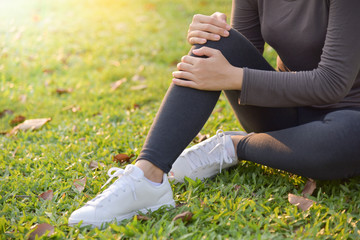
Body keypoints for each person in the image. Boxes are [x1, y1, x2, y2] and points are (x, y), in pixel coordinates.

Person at [69, 0, 360, 228]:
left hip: (350, 117)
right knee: (216, 41)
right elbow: (240, 50)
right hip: (285, 109)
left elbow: (332, 82)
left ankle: (234, 146)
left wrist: (234, 77)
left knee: (350, 138)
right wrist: (217, 35)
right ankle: (147, 176)